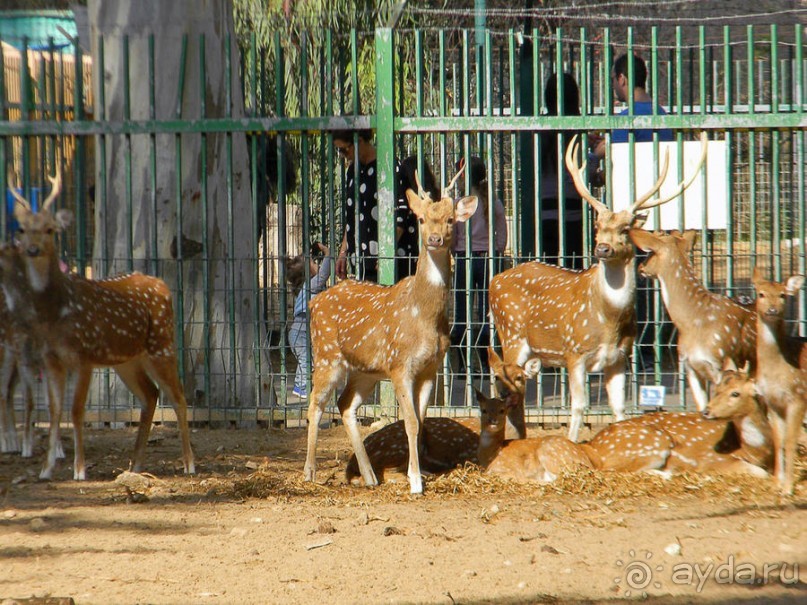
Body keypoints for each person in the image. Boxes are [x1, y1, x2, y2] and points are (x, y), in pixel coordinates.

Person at [333, 129, 417, 283]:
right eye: (339, 151)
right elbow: (352, 217)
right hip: (362, 263)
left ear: (360, 140)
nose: (343, 155)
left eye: (344, 149)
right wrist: (343, 252)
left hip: (391, 262)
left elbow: (402, 215)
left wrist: (386, 252)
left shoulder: (389, 166)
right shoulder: (352, 171)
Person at [451, 156, 507, 372]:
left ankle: (462, 367)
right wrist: (497, 254)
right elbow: (501, 234)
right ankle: (486, 365)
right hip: (487, 259)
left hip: (464, 258)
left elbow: (453, 237)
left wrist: (454, 253)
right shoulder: (492, 201)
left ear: (462, 175)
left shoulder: (458, 204)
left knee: (461, 314)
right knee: (487, 313)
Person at [589, 52, 674, 161]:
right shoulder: (661, 113)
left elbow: (620, 161)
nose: (612, 85)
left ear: (621, 79)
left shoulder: (625, 119)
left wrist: (598, 154)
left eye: (612, 79)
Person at [539, 72, 585, 269]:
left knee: (549, 273)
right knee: (574, 273)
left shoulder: (539, 130)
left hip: (544, 214)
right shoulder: (579, 130)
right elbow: (584, 173)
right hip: (573, 213)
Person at [286, 242, 331, 399]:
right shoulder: (311, 285)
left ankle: (301, 390)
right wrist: (328, 254)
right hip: (300, 332)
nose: (316, 264)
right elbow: (324, 274)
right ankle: (303, 392)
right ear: (307, 272)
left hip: (301, 332)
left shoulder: (308, 288)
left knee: (308, 361)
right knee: (307, 362)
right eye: (313, 262)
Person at [396, 154, 440, 279]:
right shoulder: (433, 198)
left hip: (405, 254)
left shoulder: (406, 198)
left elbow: (400, 225)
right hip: (426, 251)